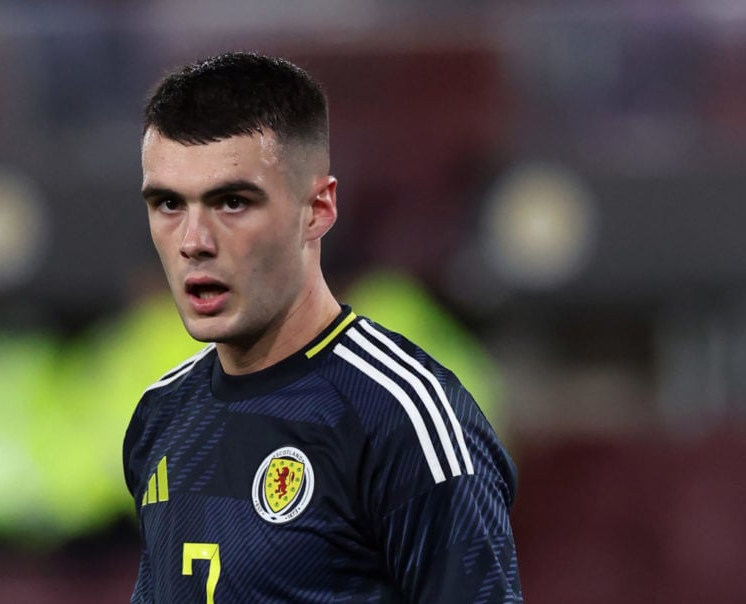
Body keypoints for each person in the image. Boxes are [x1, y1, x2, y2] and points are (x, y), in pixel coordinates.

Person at [123, 52, 522, 602]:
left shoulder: (403, 417)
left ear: (317, 209)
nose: (194, 241)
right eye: (168, 203)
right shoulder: (160, 416)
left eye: (232, 202)